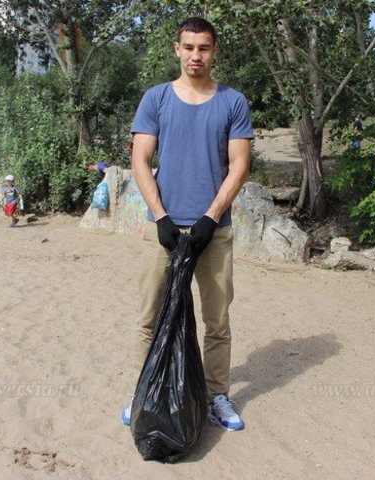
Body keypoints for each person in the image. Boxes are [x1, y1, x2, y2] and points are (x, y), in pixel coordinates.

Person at [124, 17, 253, 432]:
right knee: (150, 318)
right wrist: (161, 216)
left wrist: (210, 218)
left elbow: (239, 166)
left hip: (213, 231)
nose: (196, 55)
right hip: (162, 230)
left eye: (204, 48)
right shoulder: (156, 98)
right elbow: (140, 160)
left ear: (214, 52)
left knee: (217, 321)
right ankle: (145, 394)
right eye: (189, 47)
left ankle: (216, 395)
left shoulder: (233, 102)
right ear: (176, 49)